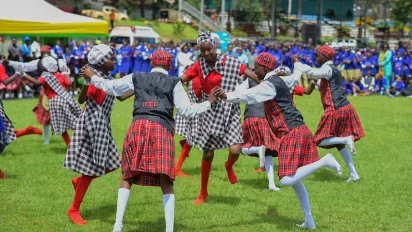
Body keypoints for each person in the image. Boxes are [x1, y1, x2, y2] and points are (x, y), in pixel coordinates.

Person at [81, 49, 217, 232]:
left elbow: (112, 87)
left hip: (138, 127)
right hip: (161, 128)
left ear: (152, 63)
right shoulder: (174, 82)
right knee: (166, 180)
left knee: (128, 176)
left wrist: (92, 77)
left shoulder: (137, 77)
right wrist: (209, 102)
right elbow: (187, 110)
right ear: (169, 65)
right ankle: (169, 230)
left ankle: (117, 226)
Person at [214, 52, 342, 230]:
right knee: (296, 182)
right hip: (299, 129)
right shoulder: (281, 80)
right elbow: (294, 79)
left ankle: (324, 161)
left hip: (291, 132)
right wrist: (297, 67)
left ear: (265, 67)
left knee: (286, 180)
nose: (254, 70)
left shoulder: (269, 84)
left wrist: (225, 96)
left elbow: (248, 95)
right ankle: (309, 221)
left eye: (256, 67)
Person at [180, 31, 259, 205]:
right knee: (208, 155)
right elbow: (182, 79)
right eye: (203, 50)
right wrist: (164, 83)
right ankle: (203, 192)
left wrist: (262, 80)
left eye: (209, 49)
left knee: (235, 151)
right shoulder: (199, 65)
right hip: (209, 112)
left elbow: (249, 72)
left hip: (229, 111)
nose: (206, 53)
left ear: (215, 47)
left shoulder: (230, 62)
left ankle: (229, 166)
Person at [64, 44, 132, 225]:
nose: (115, 61)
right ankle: (74, 209)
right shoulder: (95, 79)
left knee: (112, 164)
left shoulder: (106, 78)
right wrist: (88, 82)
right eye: (111, 58)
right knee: (92, 167)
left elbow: (120, 96)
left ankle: (79, 181)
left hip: (102, 126)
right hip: (92, 125)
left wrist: (140, 88)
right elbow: (81, 99)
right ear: (101, 62)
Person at [298, 45, 365, 183]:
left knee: (319, 140)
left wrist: (298, 65)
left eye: (318, 55)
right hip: (344, 107)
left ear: (325, 56)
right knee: (337, 144)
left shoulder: (328, 68)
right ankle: (354, 174)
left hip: (335, 109)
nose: (316, 58)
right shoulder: (331, 69)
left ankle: (345, 140)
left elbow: (313, 73)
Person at [4, 56, 82, 147]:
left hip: (55, 103)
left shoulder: (45, 76)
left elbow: (37, 83)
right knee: (74, 122)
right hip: (66, 100)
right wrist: (65, 72)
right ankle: (81, 140)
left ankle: (70, 144)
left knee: (61, 126)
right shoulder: (60, 75)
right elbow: (69, 83)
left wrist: (24, 74)